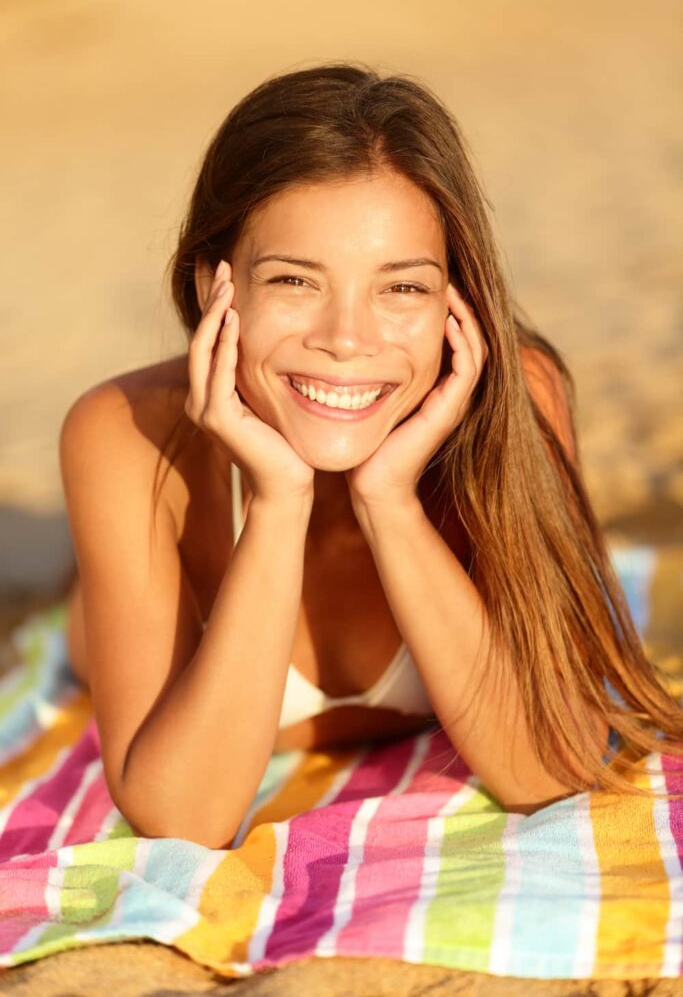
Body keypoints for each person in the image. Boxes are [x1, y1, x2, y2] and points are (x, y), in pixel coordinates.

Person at [59, 62, 683, 848]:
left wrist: (388, 499)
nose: (347, 340)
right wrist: (278, 501)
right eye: (294, 280)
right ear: (215, 286)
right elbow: (184, 817)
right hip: (107, 604)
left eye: (403, 289)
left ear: (459, 295)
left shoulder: (518, 403)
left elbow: (544, 768)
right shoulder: (125, 433)